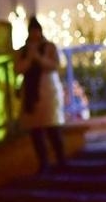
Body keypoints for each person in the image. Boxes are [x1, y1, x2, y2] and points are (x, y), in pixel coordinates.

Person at [14, 16, 67, 173]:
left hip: (47, 91)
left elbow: (55, 65)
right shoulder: (24, 50)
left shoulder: (49, 47)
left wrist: (39, 58)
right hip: (31, 93)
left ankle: (61, 160)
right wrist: (30, 59)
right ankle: (44, 162)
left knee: (52, 128)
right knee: (36, 131)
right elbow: (17, 69)